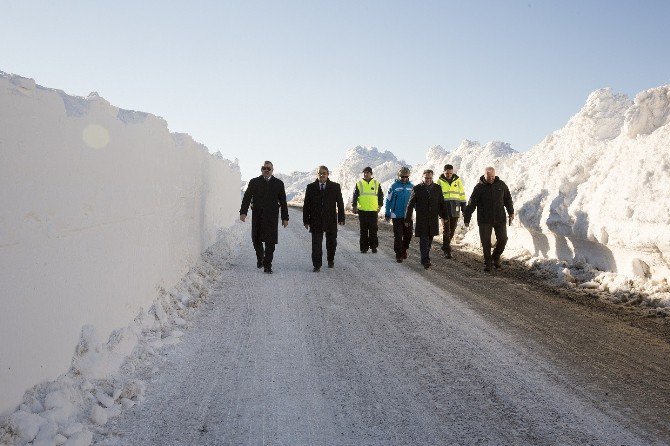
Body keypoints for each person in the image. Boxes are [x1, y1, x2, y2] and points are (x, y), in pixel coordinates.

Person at [239, 161, 289, 274]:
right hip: (258, 215)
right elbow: (246, 198)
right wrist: (243, 212)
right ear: (261, 169)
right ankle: (260, 257)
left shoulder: (278, 183)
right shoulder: (254, 182)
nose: (266, 170)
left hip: (272, 216)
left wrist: (285, 218)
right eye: (264, 168)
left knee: (270, 241)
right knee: (256, 239)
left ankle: (267, 265)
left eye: (269, 168)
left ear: (272, 170)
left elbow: (283, 202)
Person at [463, 166, 514, 272]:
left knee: (503, 239)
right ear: (484, 175)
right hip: (484, 219)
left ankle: (495, 258)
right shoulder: (479, 187)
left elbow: (508, 199)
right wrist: (467, 218)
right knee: (486, 242)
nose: (491, 178)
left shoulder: (501, 185)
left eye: (493, 176)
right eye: (489, 176)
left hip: (499, 217)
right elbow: (472, 204)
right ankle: (488, 263)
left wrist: (511, 212)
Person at [303, 166, 345, 272]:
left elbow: (340, 204)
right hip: (316, 220)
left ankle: (330, 260)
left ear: (328, 174)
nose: (322, 175)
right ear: (317, 174)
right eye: (320, 173)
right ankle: (317, 265)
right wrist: (306, 220)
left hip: (330, 220)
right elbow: (306, 205)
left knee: (331, 243)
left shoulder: (335, 187)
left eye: (324, 173)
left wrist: (341, 217)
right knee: (316, 244)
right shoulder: (311, 187)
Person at [405, 169, 446, 269]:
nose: (428, 180)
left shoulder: (437, 188)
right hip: (421, 219)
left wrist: (444, 216)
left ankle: (425, 256)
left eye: (430, 178)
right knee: (424, 239)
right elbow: (410, 205)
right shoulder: (417, 188)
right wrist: (407, 219)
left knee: (430, 239)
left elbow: (441, 203)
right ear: (422, 178)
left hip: (432, 219)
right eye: (426, 178)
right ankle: (425, 260)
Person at [435, 164, 467, 259]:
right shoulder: (439, 181)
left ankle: (445, 245)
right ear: (444, 172)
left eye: (450, 173)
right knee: (447, 230)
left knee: (452, 230)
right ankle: (447, 251)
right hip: (444, 208)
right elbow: (437, 196)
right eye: (447, 173)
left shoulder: (457, 180)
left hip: (455, 207)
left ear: (453, 172)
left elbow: (461, 194)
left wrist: (463, 207)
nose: (448, 175)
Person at [384, 167, 414, 262]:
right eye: (402, 176)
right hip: (396, 215)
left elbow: (415, 201)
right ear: (399, 176)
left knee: (408, 235)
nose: (404, 178)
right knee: (398, 235)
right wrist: (387, 212)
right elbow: (388, 200)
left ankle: (404, 249)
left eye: (406, 176)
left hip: (408, 216)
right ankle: (398, 254)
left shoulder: (412, 187)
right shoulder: (393, 186)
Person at [352, 166, 383, 253]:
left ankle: (374, 247)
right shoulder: (359, 183)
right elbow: (355, 195)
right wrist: (354, 206)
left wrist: (380, 206)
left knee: (373, 230)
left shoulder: (376, 183)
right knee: (364, 230)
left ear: (371, 174)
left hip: (373, 211)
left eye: (367, 172)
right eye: (364, 172)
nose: (365, 174)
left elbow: (380, 195)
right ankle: (364, 248)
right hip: (362, 210)